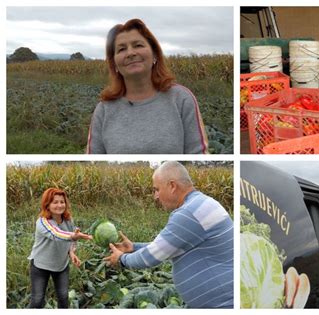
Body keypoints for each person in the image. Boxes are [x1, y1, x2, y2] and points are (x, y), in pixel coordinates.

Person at [104, 161, 233, 308]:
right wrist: (134, 247)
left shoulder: (188, 213)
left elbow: (150, 257)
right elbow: (169, 246)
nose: (155, 196)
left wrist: (121, 259)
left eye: (157, 189)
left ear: (172, 186)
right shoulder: (201, 203)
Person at [87, 19, 208, 154]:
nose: (130, 53)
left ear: (154, 53)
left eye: (138, 45)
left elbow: (198, 153)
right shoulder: (104, 110)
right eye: (122, 49)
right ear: (114, 62)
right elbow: (93, 159)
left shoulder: (181, 99)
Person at [28, 188, 92, 308]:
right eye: (55, 202)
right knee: (37, 300)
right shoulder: (42, 222)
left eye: (62, 202)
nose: (59, 205)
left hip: (61, 266)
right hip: (41, 266)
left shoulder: (68, 220)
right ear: (47, 204)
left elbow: (71, 239)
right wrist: (74, 236)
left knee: (63, 297)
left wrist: (72, 253)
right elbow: (56, 234)